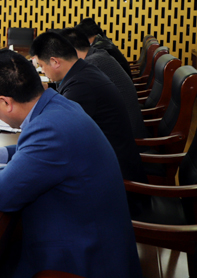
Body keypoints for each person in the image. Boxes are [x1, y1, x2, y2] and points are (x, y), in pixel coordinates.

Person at [0, 49, 142, 278]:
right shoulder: (57, 104)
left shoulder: (49, 129)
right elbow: (40, 153)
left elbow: (2, 195)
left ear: (5, 102)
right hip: (92, 234)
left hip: (83, 260)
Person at [30, 32, 147, 185]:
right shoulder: (84, 71)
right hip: (109, 162)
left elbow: (55, 132)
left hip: (114, 178)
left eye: (41, 66)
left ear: (55, 61)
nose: (43, 71)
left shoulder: (82, 86)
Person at [58, 27, 149, 140]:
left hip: (125, 136)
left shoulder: (91, 64)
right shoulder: (97, 55)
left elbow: (69, 110)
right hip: (125, 128)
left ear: (70, 50)